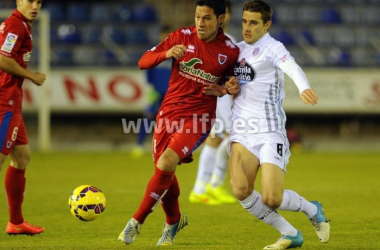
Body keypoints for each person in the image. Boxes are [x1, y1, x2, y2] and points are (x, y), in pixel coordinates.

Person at [118, 0, 240, 246]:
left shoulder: (230, 50)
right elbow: (143, 61)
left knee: (166, 162)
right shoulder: (182, 36)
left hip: (199, 119)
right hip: (168, 115)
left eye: (206, 18)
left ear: (220, 19)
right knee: (164, 172)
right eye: (197, 17)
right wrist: (166, 53)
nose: (200, 23)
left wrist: (229, 88)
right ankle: (174, 220)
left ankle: (136, 222)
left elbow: (234, 82)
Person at [228, 1, 330, 249]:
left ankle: (311, 208)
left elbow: (291, 67)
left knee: (272, 198)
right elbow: (232, 84)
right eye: (244, 22)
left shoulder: (273, 48)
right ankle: (290, 233)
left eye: (254, 23)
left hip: (270, 131)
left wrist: (303, 86)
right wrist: (229, 87)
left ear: (267, 25)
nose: (247, 28)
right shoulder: (236, 51)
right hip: (242, 132)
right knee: (241, 190)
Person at [0, 0, 46, 235]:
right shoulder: (16, 26)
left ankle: (16, 222)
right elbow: (2, 60)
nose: (35, 5)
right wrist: (31, 75)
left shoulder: (22, 26)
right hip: (3, 102)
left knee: (22, 157)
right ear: (18, 2)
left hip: (12, 102)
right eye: (30, 1)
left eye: (39, 1)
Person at [189, 0, 237, 205]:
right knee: (226, 139)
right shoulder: (211, 41)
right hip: (218, 100)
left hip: (224, 100)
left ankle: (208, 186)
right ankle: (206, 186)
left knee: (221, 139)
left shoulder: (229, 41)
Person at [131, 25, 172, 158]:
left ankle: (168, 146)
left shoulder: (176, 52)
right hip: (155, 91)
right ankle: (139, 145)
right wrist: (149, 86)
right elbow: (148, 68)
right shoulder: (155, 51)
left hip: (170, 93)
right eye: (163, 34)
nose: (165, 37)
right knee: (148, 117)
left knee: (169, 121)